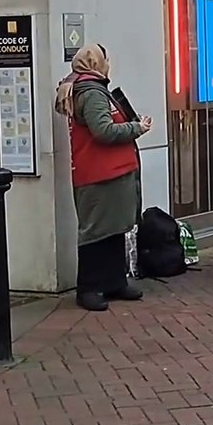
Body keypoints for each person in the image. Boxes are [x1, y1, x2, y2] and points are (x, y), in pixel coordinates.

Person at [54, 44, 151, 312]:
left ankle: (113, 281)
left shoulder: (88, 89)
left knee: (113, 228)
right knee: (96, 231)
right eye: (105, 59)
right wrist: (136, 128)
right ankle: (90, 287)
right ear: (96, 64)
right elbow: (104, 131)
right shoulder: (93, 93)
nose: (109, 63)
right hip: (100, 175)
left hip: (107, 173)